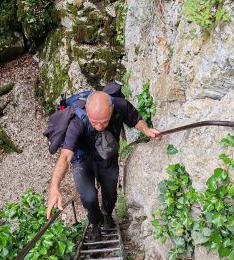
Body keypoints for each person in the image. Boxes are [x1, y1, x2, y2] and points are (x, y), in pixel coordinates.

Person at [46, 91, 160, 240]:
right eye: (94, 122)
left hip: (107, 155)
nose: (99, 127)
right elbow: (65, 157)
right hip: (82, 158)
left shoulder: (120, 106)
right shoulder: (77, 122)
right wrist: (54, 188)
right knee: (88, 197)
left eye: (104, 122)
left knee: (111, 193)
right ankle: (96, 223)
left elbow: (135, 119)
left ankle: (107, 214)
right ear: (87, 112)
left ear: (112, 109)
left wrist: (146, 130)